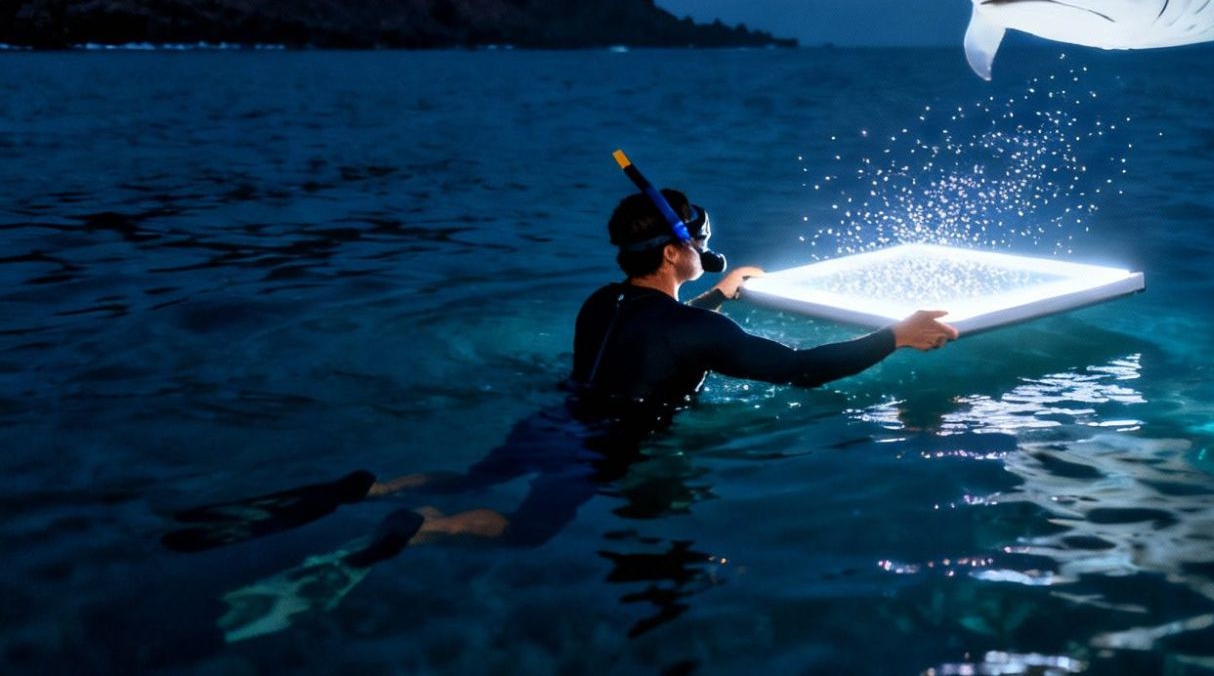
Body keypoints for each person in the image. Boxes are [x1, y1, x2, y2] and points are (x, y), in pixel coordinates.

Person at [165, 186, 959, 560]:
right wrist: (896, 333)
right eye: (701, 240)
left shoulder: (602, 299)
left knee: (476, 471)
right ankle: (427, 528)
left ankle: (375, 489)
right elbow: (802, 371)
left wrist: (720, 289)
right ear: (672, 250)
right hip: (603, 446)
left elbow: (668, 336)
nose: (706, 246)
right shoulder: (685, 327)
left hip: (555, 420)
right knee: (528, 530)